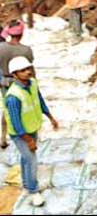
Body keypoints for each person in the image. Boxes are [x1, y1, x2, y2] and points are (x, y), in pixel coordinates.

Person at [5, 56, 59, 208]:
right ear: (14, 75)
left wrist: (50, 117)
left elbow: (39, 101)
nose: (27, 72)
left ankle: (25, 182)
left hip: (32, 127)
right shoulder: (13, 97)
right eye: (23, 70)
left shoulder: (33, 83)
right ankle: (33, 190)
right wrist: (28, 140)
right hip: (20, 133)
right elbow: (16, 123)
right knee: (31, 159)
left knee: (26, 158)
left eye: (28, 69)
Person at [0, 20, 34, 149]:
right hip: (21, 82)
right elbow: (29, 68)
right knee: (24, 107)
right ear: (21, 33)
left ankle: (3, 137)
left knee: (7, 108)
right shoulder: (26, 50)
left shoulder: (1, 48)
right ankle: (26, 134)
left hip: (5, 81)